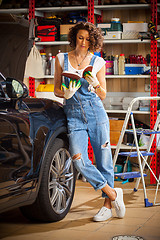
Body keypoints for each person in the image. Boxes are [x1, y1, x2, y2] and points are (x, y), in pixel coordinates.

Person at [54, 21, 125, 222]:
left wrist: (94, 84)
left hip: (97, 115)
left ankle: (107, 206)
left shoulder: (98, 62)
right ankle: (113, 193)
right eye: (80, 38)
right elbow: (56, 89)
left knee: (104, 161)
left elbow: (103, 94)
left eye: (88, 39)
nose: (84, 42)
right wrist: (65, 93)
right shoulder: (61, 59)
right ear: (74, 37)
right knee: (78, 159)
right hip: (74, 116)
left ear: (92, 41)